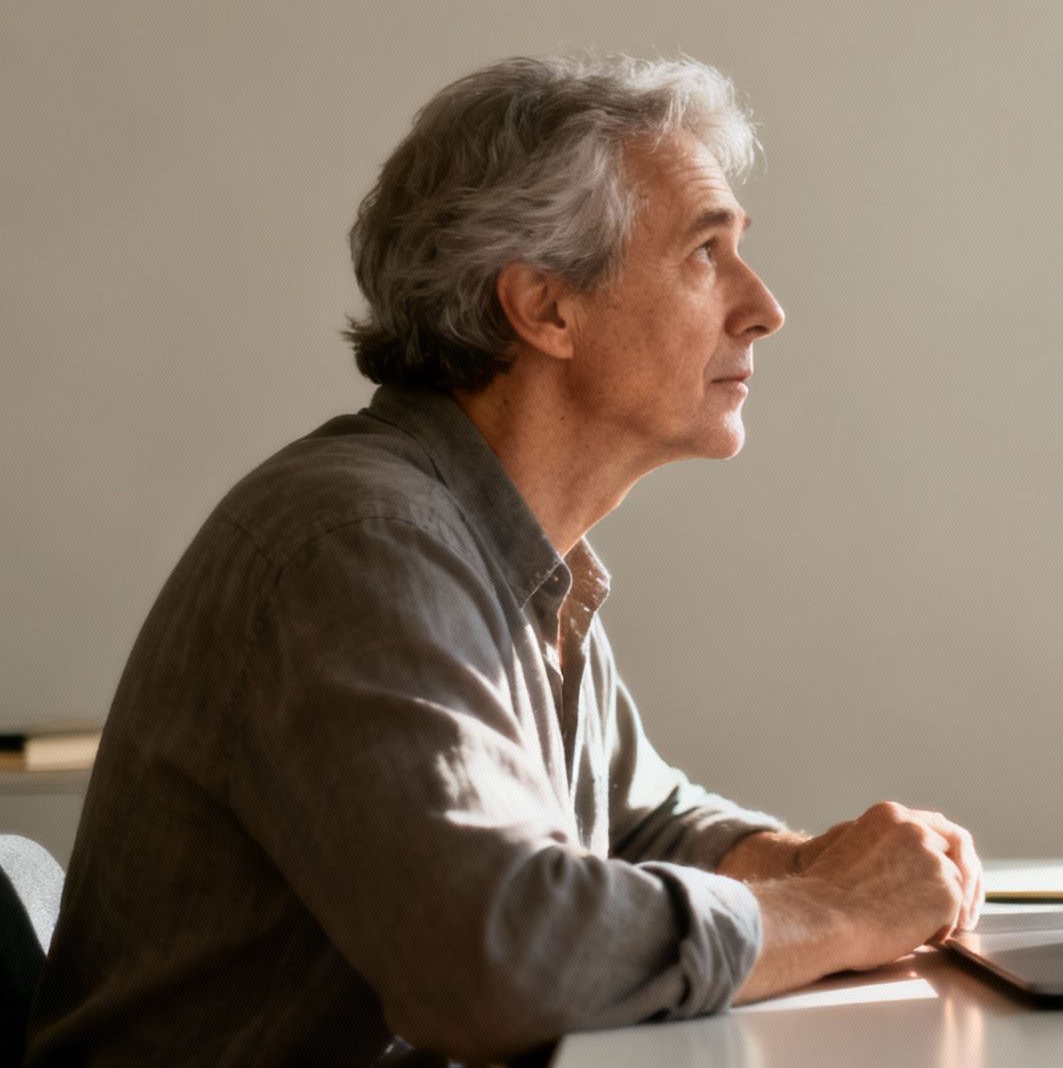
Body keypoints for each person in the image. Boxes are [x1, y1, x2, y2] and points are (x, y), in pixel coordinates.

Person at [26, 55, 983, 1067]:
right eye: (706, 253)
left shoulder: (508, 544)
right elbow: (498, 960)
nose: (762, 306)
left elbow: (635, 819)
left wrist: (804, 863)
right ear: (545, 309)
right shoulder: (358, 544)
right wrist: (833, 910)